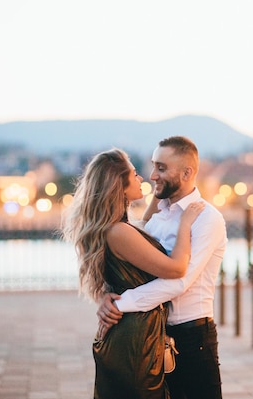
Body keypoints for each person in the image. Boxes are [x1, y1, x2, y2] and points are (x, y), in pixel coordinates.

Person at [61, 148, 205, 399]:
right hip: (136, 342)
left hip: (131, 335)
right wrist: (185, 223)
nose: (144, 178)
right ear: (120, 184)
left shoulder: (118, 228)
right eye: (135, 174)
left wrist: (163, 187)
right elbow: (176, 269)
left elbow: (145, 226)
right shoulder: (119, 232)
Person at [97, 136, 228, 399]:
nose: (152, 175)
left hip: (193, 338)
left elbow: (180, 281)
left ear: (187, 173)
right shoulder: (157, 219)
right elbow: (135, 268)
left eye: (161, 168)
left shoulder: (207, 218)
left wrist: (121, 304)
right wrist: (107, 296)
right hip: (155, 335)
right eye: (153, 166)